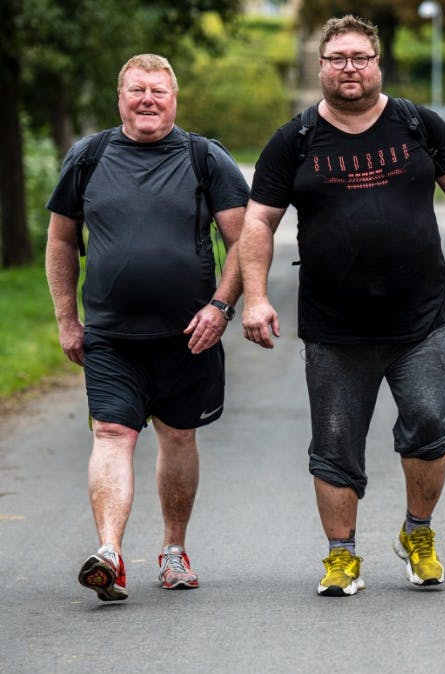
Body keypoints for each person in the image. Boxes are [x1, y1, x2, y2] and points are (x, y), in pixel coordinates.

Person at [239, 15, 445, 597]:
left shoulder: (417, 124)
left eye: (359, 57)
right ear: (321, 67)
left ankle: (418, 534)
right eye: (337, 58)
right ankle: (341, 556)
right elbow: (258, 222)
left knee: (430, 425)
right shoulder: (294, 140)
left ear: (377, 64)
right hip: (334, 330)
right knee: (334, 445)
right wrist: (254, 298)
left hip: (420, 322)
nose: (348, 67)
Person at [45, 54, 249, 601]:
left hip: (190, 334)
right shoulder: (88, 157)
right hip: (111, 336)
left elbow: (244, 244)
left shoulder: (205, 158)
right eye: (138, 90)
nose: (148, 100)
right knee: (111, 433)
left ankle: (173, 550)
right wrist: (68, 319)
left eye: (158, 91)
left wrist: (222, 307)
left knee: (178, 435)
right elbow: (62, 241)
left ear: (174, 99)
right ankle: (109, 553)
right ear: (121, 98)